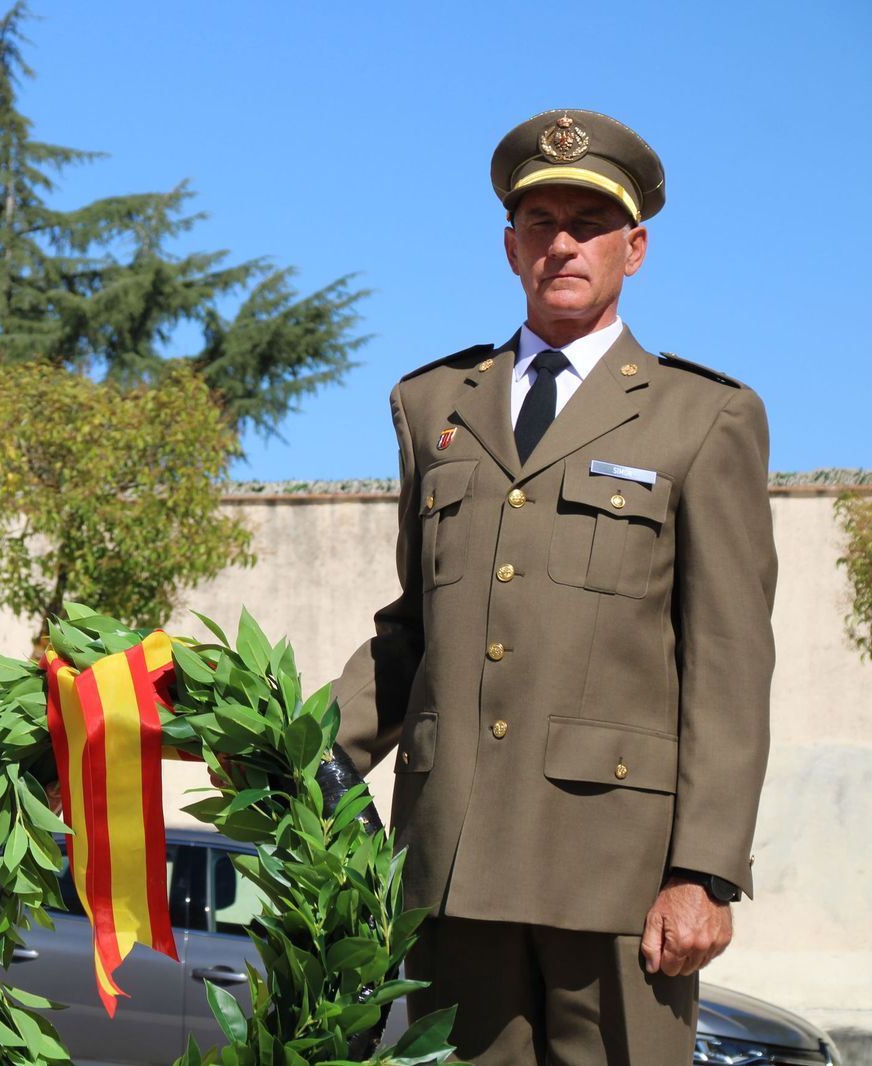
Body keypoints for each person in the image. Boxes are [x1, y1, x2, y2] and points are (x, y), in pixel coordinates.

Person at [334, 109, 776, 1064]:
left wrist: (705, 871)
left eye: (589, 224)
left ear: (635, 248)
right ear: (510, 247)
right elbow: (416, 632)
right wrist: (305, 748)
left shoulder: (703, 417)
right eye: (541, 223)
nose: (563, 244)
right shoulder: (433, 406)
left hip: (615, 876)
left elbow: (730, 661)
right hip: (453, 864)